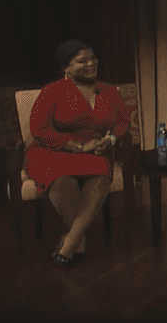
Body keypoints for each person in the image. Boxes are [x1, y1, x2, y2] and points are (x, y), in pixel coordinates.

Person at [24, 40, 131, 267]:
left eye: (92, 58)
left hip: (96, 150)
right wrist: (77, 147)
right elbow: (39, 130)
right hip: (52, 151)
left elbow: (123, 123)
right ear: (66, 68)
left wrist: (111, 139)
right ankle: (77, 239)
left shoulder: (110, 91)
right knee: (60, 179)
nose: (91, 63)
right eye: (82, 61)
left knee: (101, 172)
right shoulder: (51, 92)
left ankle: (70, 240)